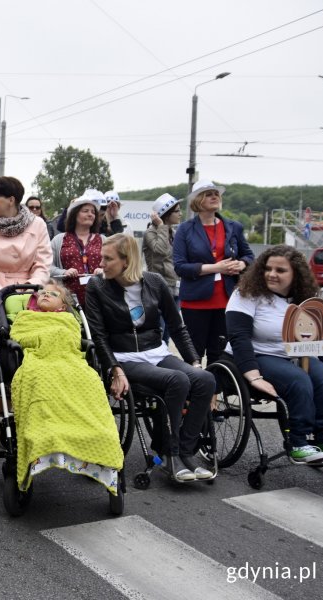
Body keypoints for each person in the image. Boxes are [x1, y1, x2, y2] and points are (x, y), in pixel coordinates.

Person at [85, 234, 216, 482]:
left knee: (205, 380)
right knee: (177, 380)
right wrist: (115, 369)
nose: (101, 263)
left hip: (155, 352)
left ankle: (186, 451)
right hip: (123, 358)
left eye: (108, 258)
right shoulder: (97, 286)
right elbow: (98, 335)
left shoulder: (154, 282)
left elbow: (177, 327)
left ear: (127, 261)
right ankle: (170, 453)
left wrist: (195, 362)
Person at [224, 245, 323, 464]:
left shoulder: (310, 296)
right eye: (268, 268)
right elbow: (238, 336)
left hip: (296, 355)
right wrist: (253, 376)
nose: (271, 274)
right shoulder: (247, 293)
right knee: (298, 380)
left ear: (296, 273)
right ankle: (298, 442)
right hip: (257, 354)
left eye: (280, 270)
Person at [8, 282, 124, 494]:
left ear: (62, 305)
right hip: (40, 362)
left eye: (53, 294)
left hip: (70, 362)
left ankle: (98, 439)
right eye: (42, 292)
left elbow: (72, 340)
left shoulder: (69, 319)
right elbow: (19, 336)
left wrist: (57, 335)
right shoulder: (25, 317)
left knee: (92, 384)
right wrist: (45, 336)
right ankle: (45, 436)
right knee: (40, 385)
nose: (45, 294)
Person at [0, 175, 52, 427]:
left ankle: (13, 424)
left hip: (27, 300)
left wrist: (29, 294)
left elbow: (43, 263)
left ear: (11, 199)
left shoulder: (37, 225)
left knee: (21, 366)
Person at [174, 180, 253, 365]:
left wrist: (241, 264)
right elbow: (179, 266)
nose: (214, 196)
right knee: (194, 353)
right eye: (208, 194)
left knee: (219, 354)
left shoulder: (234, 227)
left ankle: (214, 394)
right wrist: (216, 268)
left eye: (216, 193)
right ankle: (195, 392)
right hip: (196, 302)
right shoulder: (185, 229)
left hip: (227, 300)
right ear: (198, 200)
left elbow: (249, 256)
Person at [50, 195, 104, 307]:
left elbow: (115, 265)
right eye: (85, 211)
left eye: (93, 212)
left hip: (99, 297)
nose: (90, 214)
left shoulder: (103, 240)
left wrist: (104, 270)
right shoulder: (59, 240)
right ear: (74, 214)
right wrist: (63, 272)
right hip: (68, 299)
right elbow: (47, 266)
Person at [143, 193, 182, 343]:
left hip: (175, 286)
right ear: (166, 214)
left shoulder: (173, 232)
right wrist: (161, 226)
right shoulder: (150, 232)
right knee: (161, 329)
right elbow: (161, 250)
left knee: (172, 328)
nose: (180, 214)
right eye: (177, 211)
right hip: (158, 287)